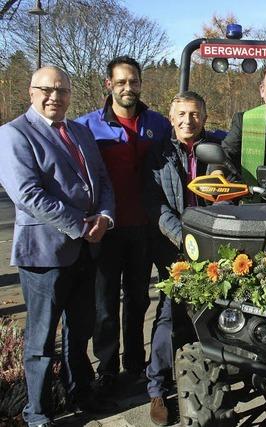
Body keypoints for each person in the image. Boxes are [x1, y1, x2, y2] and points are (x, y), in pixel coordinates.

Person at [0, 66, 115, 427]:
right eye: (47, 90)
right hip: (44, 253)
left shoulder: (80, 131)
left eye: (62, 90)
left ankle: (79, 391)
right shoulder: (14, 134)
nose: (55, 97)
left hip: (86, 250)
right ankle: (36, 411)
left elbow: (102, 181)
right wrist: (82, 226)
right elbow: (28, 195)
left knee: (79, 330)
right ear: (31, 92)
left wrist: (106, 218)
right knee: (41, 338)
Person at [76, 56, 171, 394]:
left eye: (133, 81)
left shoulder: (158, 124)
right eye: (121, 82)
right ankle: (107, 369)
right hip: (105, 229)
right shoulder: (86, 126)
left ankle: (134, 364)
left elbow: (191, 137)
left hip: (143, 228)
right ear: (109, 84)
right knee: (104, 305)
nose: (128, 87)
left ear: (141, 83)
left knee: (137, 301)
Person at [143, 91, 226, 426]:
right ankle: (158, 389)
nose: (188, 120)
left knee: (218, 310)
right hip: (174, 245)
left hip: (214, 243)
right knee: (168, 313)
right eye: (182, 114)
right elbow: (156, 205)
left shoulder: (218, 150)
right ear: (170, 116)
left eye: (195, 114)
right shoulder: (158, 154)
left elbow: (229, 191)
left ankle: (211, 375)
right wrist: (184, 238)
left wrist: (215, 231)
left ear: (205, 118)